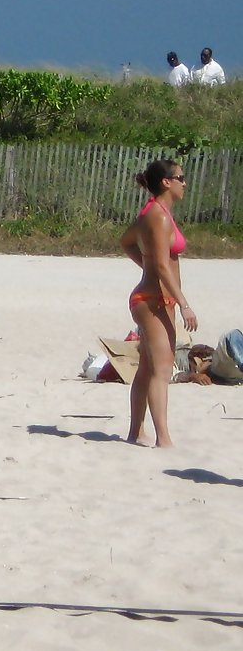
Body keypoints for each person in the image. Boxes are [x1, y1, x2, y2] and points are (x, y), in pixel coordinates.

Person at [119, 159, 199, 446]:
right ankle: (163, 439)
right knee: (163, 368)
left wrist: (145, 265)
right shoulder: (158, 215)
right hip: (150, 299)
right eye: (181, 177)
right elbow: (164, 266)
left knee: (148, 366)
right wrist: (184, 303)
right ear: (167, 182)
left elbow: (126, 241)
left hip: (157, 298)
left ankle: (136, 432)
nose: (184, 183)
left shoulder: (155, 212)